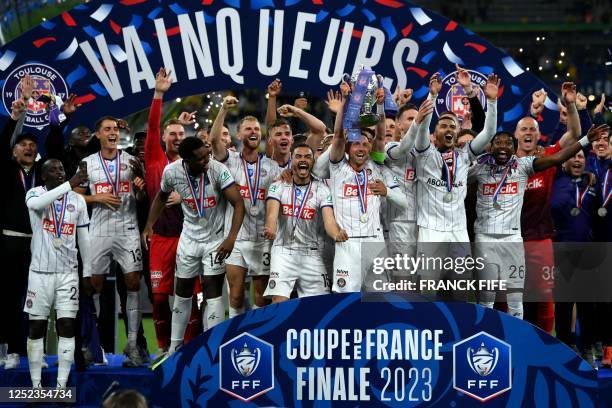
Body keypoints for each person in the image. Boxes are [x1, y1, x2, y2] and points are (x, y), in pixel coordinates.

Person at [470, 125, 607, 321]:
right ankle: (488, 337)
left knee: (516, 299)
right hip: (484, 238)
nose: (502, 146)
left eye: (508, 143)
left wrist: (585, 140)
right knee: (487, 297)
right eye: (498, 142)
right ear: (490, 147)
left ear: (514, 148)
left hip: (513, 239)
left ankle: (517, 342)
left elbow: (558, 158)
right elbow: (454, 179)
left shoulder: (524, 165)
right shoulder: (480, 168)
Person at [142, 137, 244, 357]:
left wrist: (231, 238)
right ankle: (174, 348)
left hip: (215, 241)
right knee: (183, 292)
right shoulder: (171, 172)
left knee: (212, 292)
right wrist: (150, 225)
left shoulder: (217, 170)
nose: (206, 161)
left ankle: (212, 347)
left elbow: (238, 203)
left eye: (206, 155)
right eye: (200, 159)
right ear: (187, 160)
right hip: (188, 239)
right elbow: (161, 197)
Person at [0, 78, 71, 370]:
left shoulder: (43, 175)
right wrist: (18, 115)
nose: (28, 148)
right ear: (15, 151)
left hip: (40, 244)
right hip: (10, 242)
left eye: (32, 144)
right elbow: (4, 141)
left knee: (36, 301)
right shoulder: (6, 170)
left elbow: (56, 149)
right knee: (9, 297)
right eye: (23, 145)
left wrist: (58, 119)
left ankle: (34, 353)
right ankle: (11, 350)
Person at [412, 72, 499, 296]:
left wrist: (492, 101)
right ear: (434, 134)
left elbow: (489, 132)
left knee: (460, 293)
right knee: (427, 295)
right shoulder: (424, 154)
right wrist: (432, 96)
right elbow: (421, 132)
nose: (449, 129)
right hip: (431, 232)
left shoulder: (464, 156)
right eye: (443, 126)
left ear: (458, 131)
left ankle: (460, 331)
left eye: (453, 126)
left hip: (459, 232)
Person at [74, 116, 147, 367]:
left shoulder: (132, 161)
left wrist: (139, 188)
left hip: (127, 228)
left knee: (133, 282)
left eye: (115, 129)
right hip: (99, 228)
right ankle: (90, 344)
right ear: (98, 135)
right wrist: (97, 198)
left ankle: (133, 344)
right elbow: (75, 197)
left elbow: (142, 195)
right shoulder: (87, 163)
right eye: (107, 129)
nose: (113, 132)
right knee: (93, 285)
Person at [516, 82, 583, 333]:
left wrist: (570, 105)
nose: (528, 133)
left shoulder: (547, 156)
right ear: (516, 135)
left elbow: (574, 135)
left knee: (544, 297)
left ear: (537, 134)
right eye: (523, 129)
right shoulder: (505, 161)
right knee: (509, 297)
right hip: (510, 240)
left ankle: (544, 347)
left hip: (540, 240)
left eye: (533, 129)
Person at [144, 68, 201, 361]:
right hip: (162, 238)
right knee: (158, 297)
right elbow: (152, 127)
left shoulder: (195, 164)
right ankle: (163, 346)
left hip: (189, 237)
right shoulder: (155, 158)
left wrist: (185, 196)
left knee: (189, 294)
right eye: (173, 133)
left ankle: (189, 347)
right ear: (165, 137)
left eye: (181, 134)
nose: (177, 137)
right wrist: (159, 95)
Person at [210, 96, 281, 316]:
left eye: (257, 129)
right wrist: (223, 109)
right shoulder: (228, 160)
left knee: (262, 296)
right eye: (248, 129)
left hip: (263, 238)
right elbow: (213, 140)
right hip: (236, 238)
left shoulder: (272, 166)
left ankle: (259, 335)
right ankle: (235, 338)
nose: (254, 132)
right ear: (239, 135)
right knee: (237, 294)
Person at [24, 159, 91, 387]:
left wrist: (88, 271)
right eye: (52, 170)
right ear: (43, 177)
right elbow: (37, 205)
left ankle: (62, 386)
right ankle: (36, 387)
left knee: (67, 325)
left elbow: (84, 238)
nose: (59, 172)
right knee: (36, 327)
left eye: (62, 169)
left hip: (68, 273)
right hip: (39, 273)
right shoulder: (34, 193)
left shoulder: (78, 201)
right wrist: (71, 183)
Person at [263, 143, 347, 301]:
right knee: (278, 303)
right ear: (292, 161)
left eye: (307, 157)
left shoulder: (322, 189)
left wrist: (337, 234)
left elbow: (329, 220)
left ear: (313, 162)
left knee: (317, 308)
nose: (303, 160)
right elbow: (271, 214)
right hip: (283, 251)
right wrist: (270, 229)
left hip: (311, 253)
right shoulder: (278, 186)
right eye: (298, 156)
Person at [551, 150, 600, 367]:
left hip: (588, 251)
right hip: (560, 250)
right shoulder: (555, 180)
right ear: (564, 162)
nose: (577, 160)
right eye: (573, 156)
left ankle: (588, 348)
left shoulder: (591, 183)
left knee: (587, 304)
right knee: (563, 304)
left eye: (581, 156)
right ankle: (564, 347)